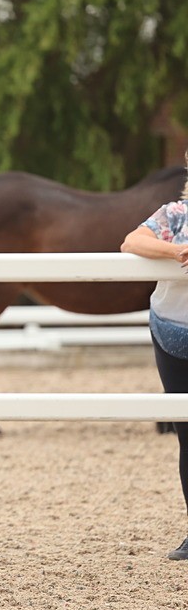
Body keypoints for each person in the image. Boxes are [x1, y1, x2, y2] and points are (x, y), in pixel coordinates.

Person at [122, 193, 188, 560]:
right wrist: (178, 251)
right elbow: (132, 241)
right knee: (187, 436)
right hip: (173, 333)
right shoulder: (176, 214)